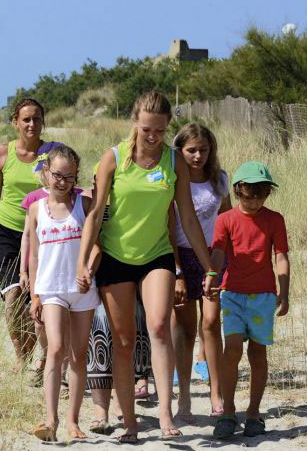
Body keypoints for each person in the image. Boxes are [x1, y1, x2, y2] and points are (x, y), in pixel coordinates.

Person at [77, 91, 219, 443]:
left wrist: (208, 267)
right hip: (115, 257)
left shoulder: (175, 161)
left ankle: (166, 415)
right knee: (123, 342)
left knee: (157, 326)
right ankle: (129, 422)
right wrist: (83, 262)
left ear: (167, 125)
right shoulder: (113, 159)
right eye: (145, 129)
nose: (152, 136)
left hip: (156, 255)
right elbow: (95, 214)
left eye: (159, 130)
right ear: (134, 123)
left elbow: (186, 216)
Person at [0, 98, 63, 373]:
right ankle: (21, 357)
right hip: (6, 231)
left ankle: (41, 358)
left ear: (43, 121)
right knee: (13, 297)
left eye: (36, 118)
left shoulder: (53, 153)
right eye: (26, 119)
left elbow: (66, 187)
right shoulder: (2, 154)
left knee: (34, 298)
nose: (31, 124)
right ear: (15, 122)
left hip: (42, 235)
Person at [212, 162, 290, 440]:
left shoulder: (274, 220)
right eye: (249, 193)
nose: (255, 200)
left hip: (263, 297)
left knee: (258, 353)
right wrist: (212, 274)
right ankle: (228, 412)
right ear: (237, 191)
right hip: (232, 294)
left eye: (262, 193)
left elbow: (281, 255)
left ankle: (254, 413)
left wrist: (285, 291)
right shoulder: (226, 220)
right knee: (231, 349)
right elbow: (219, 250)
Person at [26, 144, 96, 442]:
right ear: (47, 173)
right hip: (51, 288)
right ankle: (51, 420)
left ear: (75, 176)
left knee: (79, 354)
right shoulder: (35, 208)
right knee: (55, 348)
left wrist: (88, 271)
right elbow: (33, 255)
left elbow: (96, 246)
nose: (62, 182)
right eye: (57, 175)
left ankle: (73, 421)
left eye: (69, 176)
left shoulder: (85, 204)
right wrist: (34, 296)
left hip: (81, 289)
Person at [170, 123, 232, 422]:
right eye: (191, 150)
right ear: (179, 151)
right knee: (184, 329)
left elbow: (226, 220)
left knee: (211, 322)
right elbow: (167, 229)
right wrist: (178, 271)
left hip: (212, 257)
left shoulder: (219, 179)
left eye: (203, 150)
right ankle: (183, 397)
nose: (198, 156)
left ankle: (216, 393)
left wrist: (219, 262)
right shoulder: (171, 181)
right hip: (181, 257)